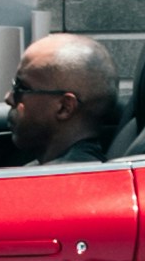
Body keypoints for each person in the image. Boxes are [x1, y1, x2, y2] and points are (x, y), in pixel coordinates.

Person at [8, 31, 117, 165]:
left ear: (64, 108)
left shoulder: (69, 180)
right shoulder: (53, 171)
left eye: (22, 88)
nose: (9, 98)